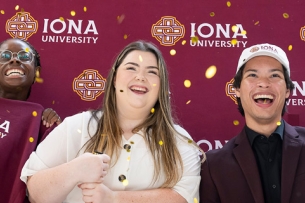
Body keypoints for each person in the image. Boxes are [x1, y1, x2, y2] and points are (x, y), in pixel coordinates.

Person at [21, 40, 202, 203]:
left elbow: (185, 198)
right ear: (114, 79)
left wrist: (113, 198)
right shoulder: (76, 127)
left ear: (161, 86)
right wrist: (75, 170)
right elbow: (35, 192)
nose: (140, 77)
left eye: (152, 72)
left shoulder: (179, 141)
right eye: (131, 68)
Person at [200, 43, 305, 203]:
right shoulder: (213, 167)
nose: (263, 83)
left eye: (274, 75)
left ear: (288, 91)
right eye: (253, 75)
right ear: (237, 90)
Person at [0, 38, 61, 203]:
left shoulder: (42, 121)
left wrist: (55, 129)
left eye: (24, 56)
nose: (14, 59)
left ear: (37, 72)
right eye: (4, 56)